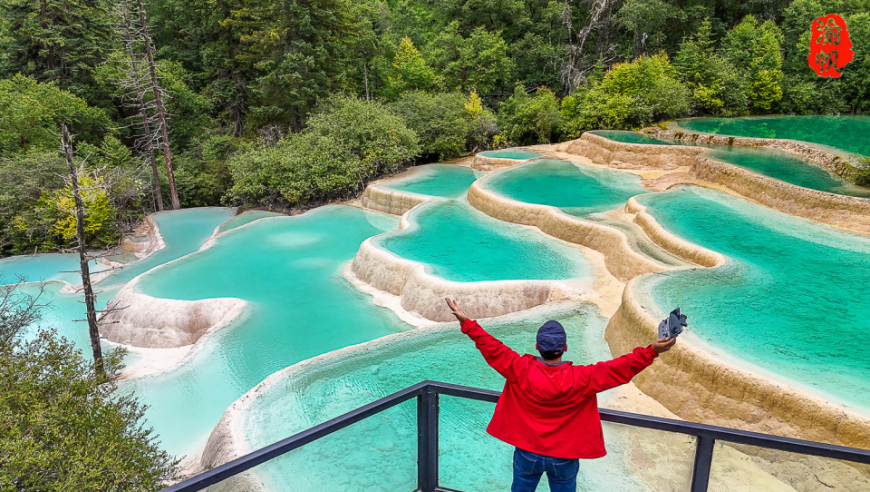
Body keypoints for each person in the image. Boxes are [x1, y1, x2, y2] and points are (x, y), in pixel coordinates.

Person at [445, 298, 676, 492]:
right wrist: (652, 350)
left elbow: (492, 347)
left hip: (528, 450)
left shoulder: (520, 369)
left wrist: (467, 323)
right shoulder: (582, 378)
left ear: (537, 347)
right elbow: (620, 368)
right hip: (564, 455)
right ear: (564, 348)